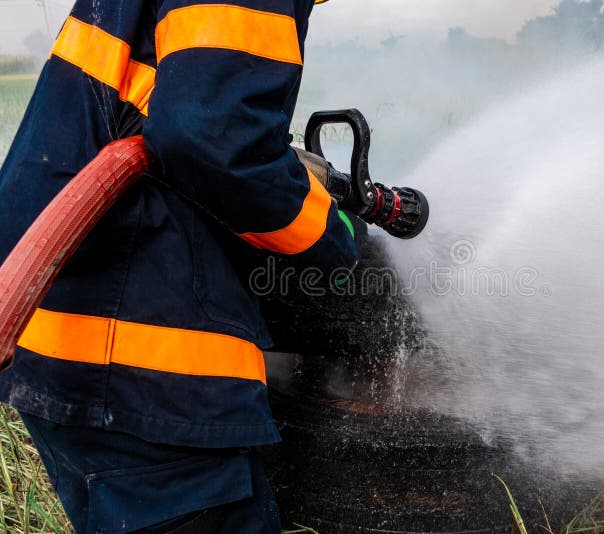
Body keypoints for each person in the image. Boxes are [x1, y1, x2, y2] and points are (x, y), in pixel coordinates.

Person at [0, 0, 362, 531]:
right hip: (145, 363)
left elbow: (191, 120)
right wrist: (333, 238)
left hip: (63, 339)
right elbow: (214, 137)